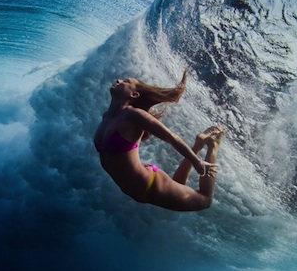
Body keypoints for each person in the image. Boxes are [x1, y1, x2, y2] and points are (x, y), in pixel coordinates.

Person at [93, 69, 225, 211]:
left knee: (206, 200)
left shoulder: (133, 115)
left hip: (149, 186)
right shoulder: (106, 117)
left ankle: (213, 145)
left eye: (125, 82)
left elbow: (170, 137)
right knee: (178, 184)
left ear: (134, 94)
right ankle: (199, 144)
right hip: (139, 187)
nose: (118, 81)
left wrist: (197, 162)